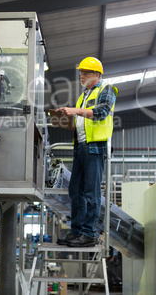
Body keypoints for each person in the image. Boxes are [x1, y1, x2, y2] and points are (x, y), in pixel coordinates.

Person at [56, 57, 118, 247]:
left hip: (95, 148)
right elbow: (82, 120)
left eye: (86, 72)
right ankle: (76, 232)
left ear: (97, 74)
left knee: (91, 193)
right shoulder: (83, 96)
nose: (81, 76)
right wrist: (64, 117)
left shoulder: (106, 89)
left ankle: (90, 234)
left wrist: (74, 111)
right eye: (81, 72)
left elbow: (101, 113)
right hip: (81, 147)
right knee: (76, 191)